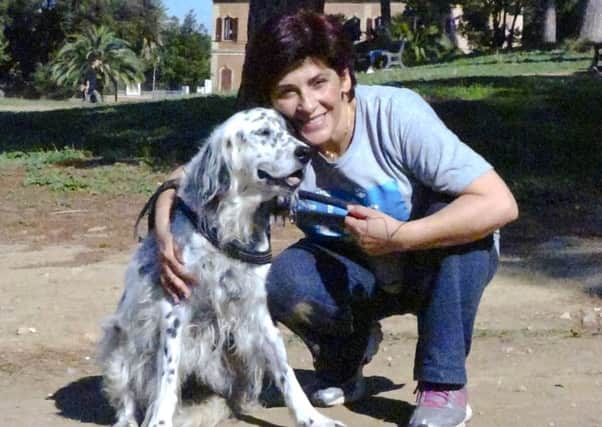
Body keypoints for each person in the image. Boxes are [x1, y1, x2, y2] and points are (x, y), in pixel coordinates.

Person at [151, 10, 518, 427]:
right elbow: (187, 176)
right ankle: (346, 361)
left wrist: (402, 236)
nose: (307, 106)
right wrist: (164, 234)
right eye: (287, 91)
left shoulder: (396, 115)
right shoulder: (280, 144)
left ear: (344, 77)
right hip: (356, 271)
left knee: (464, 231)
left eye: (317, 82)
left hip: (430, 265)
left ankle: (443, 385)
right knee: (282, 280)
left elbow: (499, 203)